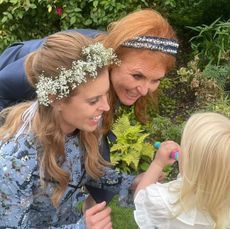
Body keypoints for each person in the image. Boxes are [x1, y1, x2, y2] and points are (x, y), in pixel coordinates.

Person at [0, 9, 179, 205]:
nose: (145, 90)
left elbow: (95, 151)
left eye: (156, 80)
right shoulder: (70, 63)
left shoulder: (104, 78)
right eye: (137, 76)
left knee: (90, 154)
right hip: (8, 95)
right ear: (113, 60)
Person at [0, 31, 137, 229]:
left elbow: (95, 174)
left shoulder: (78, 130)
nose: (106, 107)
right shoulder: (13, 161)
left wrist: (134, 182)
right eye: (93, 100)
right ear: (56, 98)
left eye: (105, 95)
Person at [134, 112, 230, 229]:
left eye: (185, 149)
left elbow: (140, 198)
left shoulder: (167, 204)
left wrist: (157, 164)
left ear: (193, 167)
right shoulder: (222, 200)